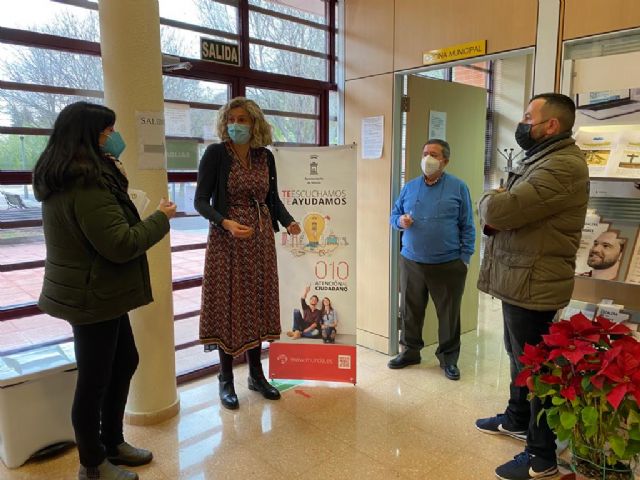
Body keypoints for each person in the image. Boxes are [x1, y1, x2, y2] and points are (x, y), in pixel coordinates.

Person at [32, 102, 176, 480]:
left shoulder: (77, 175)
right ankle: (93, 464)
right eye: (108, 131)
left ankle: (112, 442)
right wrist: (160, 218)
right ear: (88, 136)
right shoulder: (85, 183)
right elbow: (120, 244)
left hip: (99, 292)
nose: (114, 137)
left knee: (124, 361)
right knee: (94, 382)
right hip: (91, 296)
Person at [475, 93, 589, 480]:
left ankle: (541, 457)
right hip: (522, 277)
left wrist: (492, 197)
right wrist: (502, 202)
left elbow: (499, 210)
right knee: (519, 357)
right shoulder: (541, 158)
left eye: (528, 117)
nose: (522, 124)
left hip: (535, 282)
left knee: (536, 368)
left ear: (551, 125)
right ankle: (516, 418)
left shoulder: (562, 166)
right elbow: (508, 212)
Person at [194, 97, 301, 410]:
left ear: (255, 124)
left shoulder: (264, 156)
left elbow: (272, 199)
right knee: (229, 306)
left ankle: (256, 375)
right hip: (227, 242)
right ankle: (226, 379)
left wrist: (289, 221)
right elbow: (201, 201)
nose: (236, 125)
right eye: (231, 119)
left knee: (257, 305)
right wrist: (225, 222)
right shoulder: (216, 154)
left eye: (242, 119)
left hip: (260, 242)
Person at [388, 139, 475, 381]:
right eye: (425, 153)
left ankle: (449, 359)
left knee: (448, 315)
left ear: (445, 161)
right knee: (409, 311)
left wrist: (465, 258)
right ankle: (410, 352)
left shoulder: (458, 187)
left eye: (434, 154)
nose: (428, 158)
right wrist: (399, 221)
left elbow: (468, 225)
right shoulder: (410, 187)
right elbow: (393, 215)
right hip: (411, 262)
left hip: (448, 263)